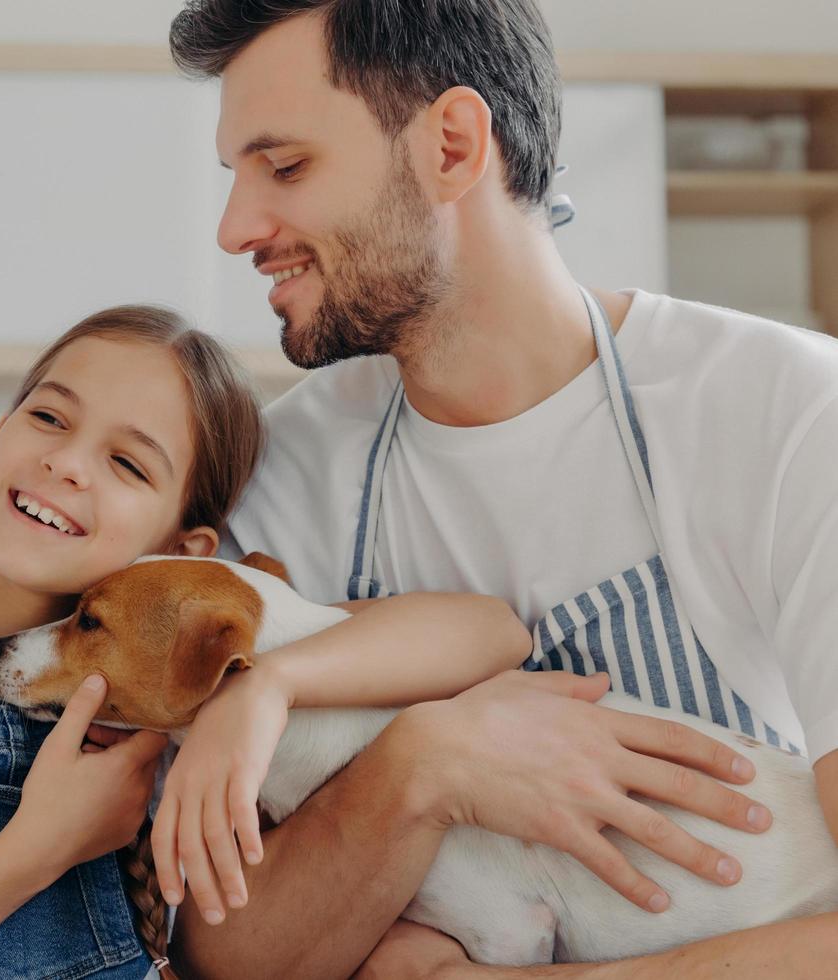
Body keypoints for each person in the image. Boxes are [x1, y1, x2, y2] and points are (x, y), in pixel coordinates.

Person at [150, 1, 838, 976]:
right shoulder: (284, 472)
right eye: (235, 177)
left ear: (454, 145)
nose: (235, 228)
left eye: (287, 165)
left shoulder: (793, 414)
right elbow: (231, 955)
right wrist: (425, 764)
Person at [0, 304, 532, 979]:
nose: (67, 462)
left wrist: (261, 689)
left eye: (129, 464)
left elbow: (491, 631)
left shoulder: (187, 684)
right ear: (0, 431)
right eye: (47, 416)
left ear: (187, 554)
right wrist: (38, 850)